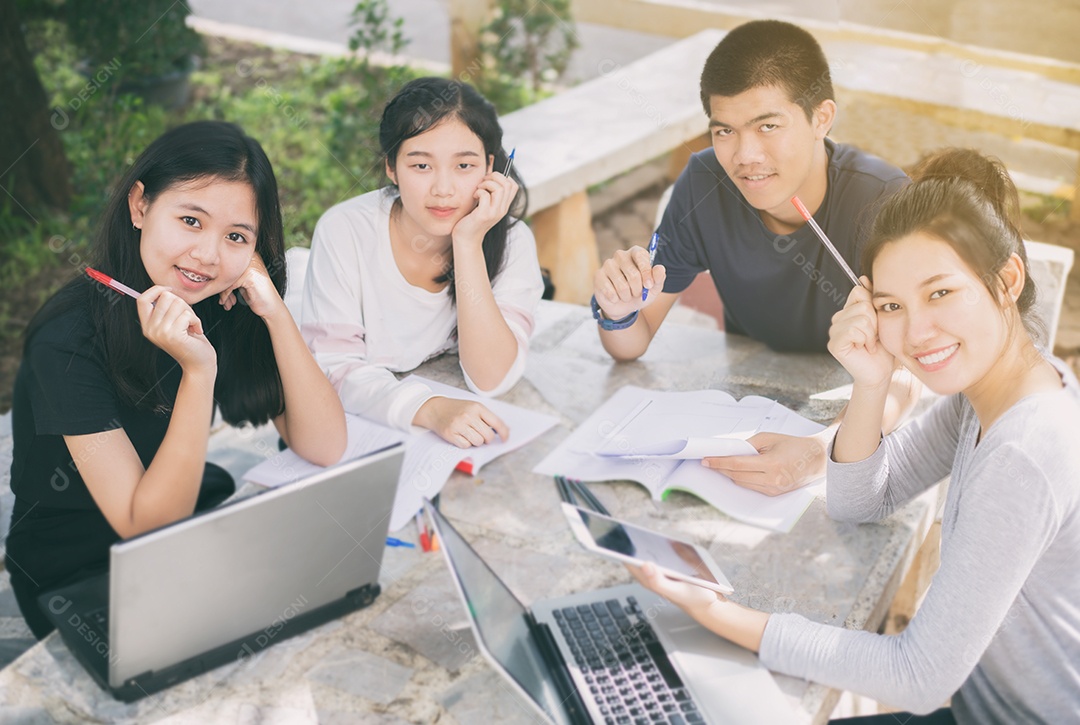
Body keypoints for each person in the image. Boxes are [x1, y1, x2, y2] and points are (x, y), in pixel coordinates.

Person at [629, 149, 1080, 723]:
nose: (917, 331)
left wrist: (715, 613)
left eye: (940, 293)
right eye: (892, 305)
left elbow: (915, 677)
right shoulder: (993, 393)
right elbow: (859, 499)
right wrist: (870, 380)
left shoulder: (1024, 450)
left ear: (1007, 280)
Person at [7, 121, 347, 639]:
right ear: (140, 206)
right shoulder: (67, 339)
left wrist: (274, 311)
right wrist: (198, 371)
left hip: (185, 532)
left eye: (236, 237)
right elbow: (145, 527)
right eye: (191, 220)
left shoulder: (218, 300)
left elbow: (325, 445)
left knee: (325, 602)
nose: (208, 255)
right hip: (79, 570)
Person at [592, 19, 914, 495]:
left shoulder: (884, 200)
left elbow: (907, 376)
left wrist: (822, 449)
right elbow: (630, 344)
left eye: (768, 126)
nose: (746, 155)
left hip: (855, 413)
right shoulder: (704, 183)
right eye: (725, 130)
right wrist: (618, 311)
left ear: (822, 117)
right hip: (742, 409)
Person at [302, 77, 544, 448]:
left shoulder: (512, 241)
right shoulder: (344, 231)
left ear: (490, 167)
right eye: (421, 166)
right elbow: (332, 368)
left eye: (464, 165)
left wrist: (467, 243)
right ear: (391, 167)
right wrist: (429, 409)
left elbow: (492, 378)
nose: (443, 189)